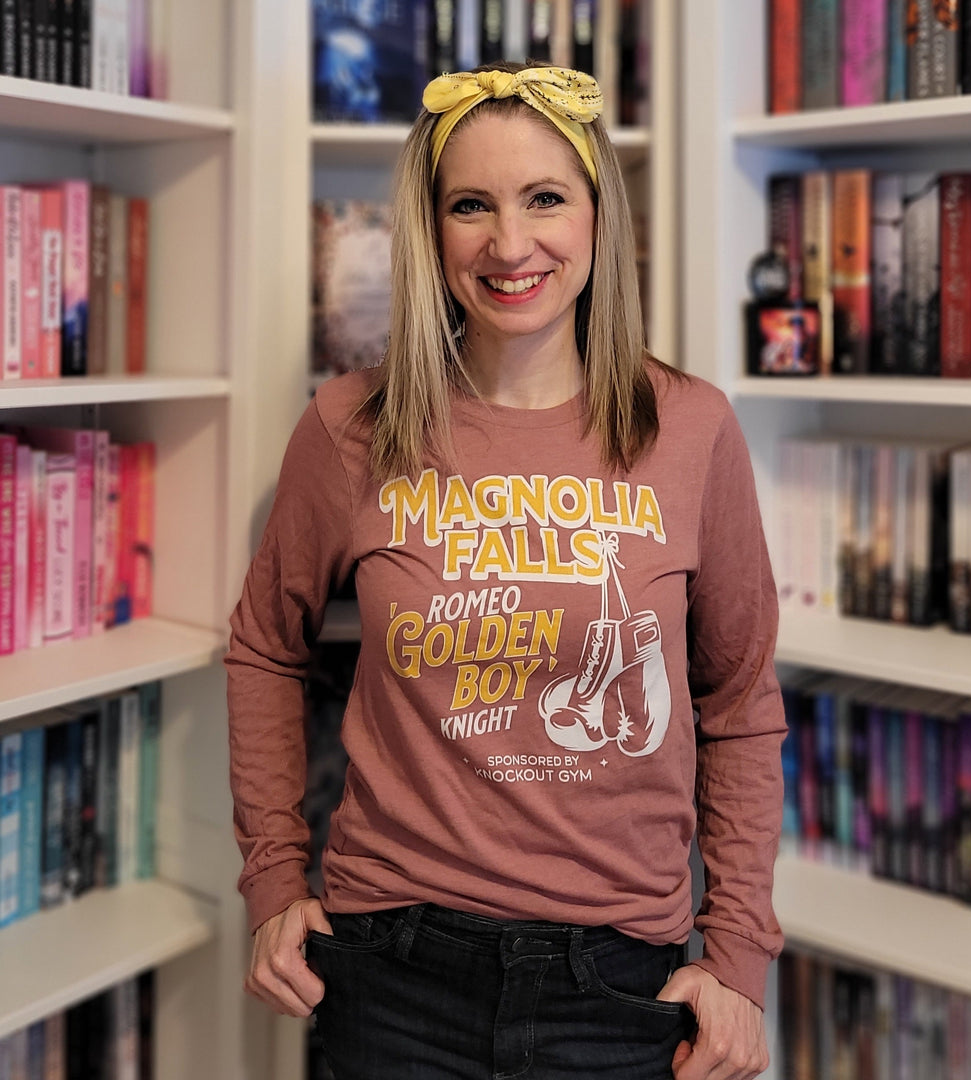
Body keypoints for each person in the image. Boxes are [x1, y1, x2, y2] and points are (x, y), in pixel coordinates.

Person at [226, 62, 786, 1080]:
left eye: (544, 200)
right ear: (430, 229)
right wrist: (271, 880)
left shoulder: (691, 429)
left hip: (620, 984)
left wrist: (739, 955)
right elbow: (264, 647)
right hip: (392, 968)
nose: (510, 243)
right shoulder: (350, 426)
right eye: (470, 205)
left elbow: (740, 700)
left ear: (597, 217)